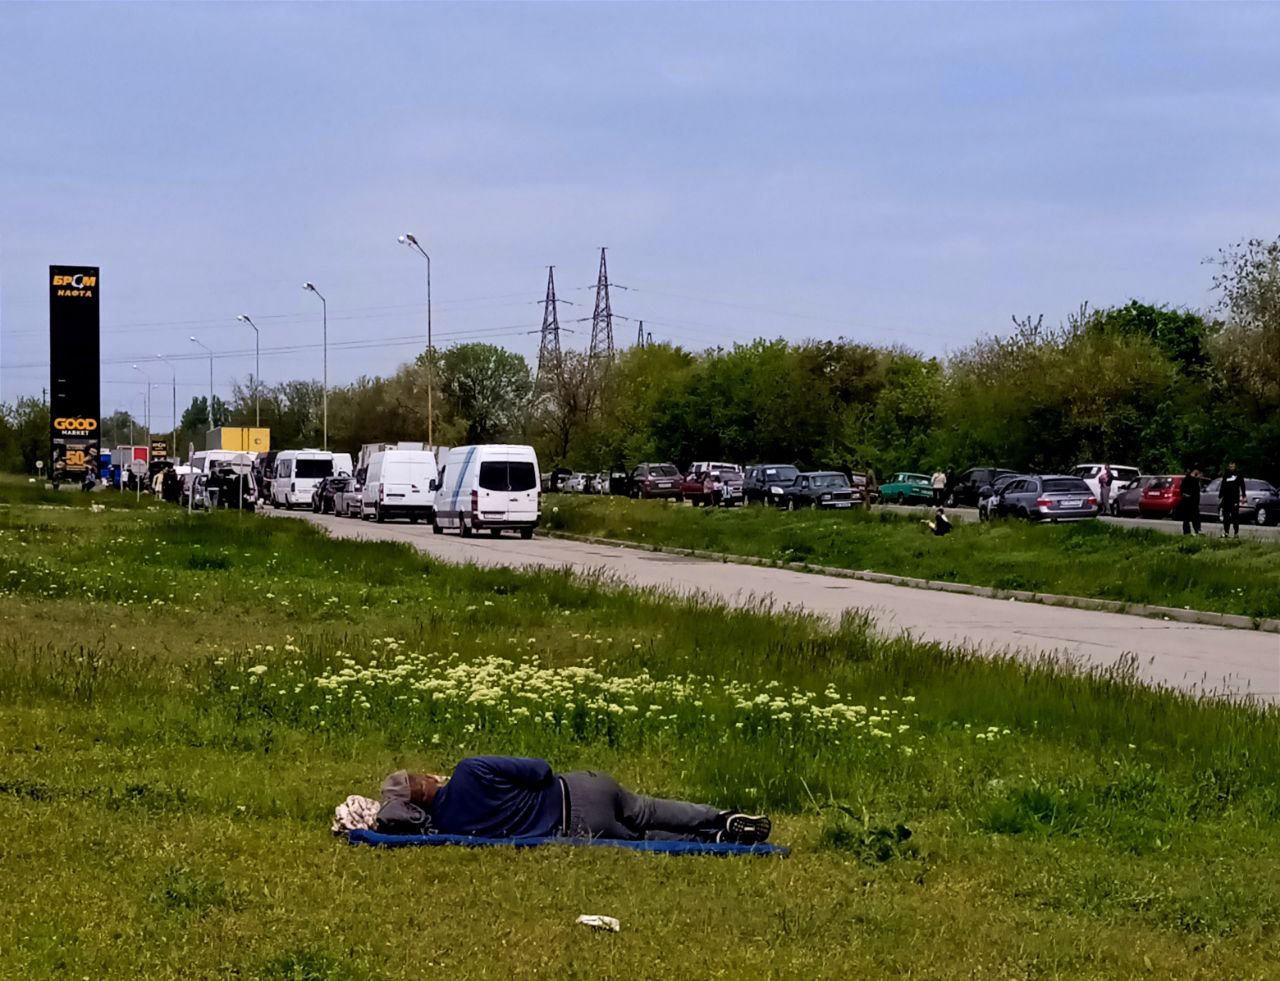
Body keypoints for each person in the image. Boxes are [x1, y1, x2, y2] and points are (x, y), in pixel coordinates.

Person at [362, 756, 771, 844]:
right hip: (577, 790)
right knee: (645, 807)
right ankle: (720, 816)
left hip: (572, 828)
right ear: (424, 782)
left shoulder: (446, 827)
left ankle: (712, 842)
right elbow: (540, 769)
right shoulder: (471, 770)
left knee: (643, 837)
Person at [1219, 462, 1246, 538]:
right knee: (1226, 516)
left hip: (1234, 499)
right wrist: (1220, 494)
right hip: (1226, 499)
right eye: (1230, 467)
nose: (1231, 468)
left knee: (1235, 517)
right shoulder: (1226, 475)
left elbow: (1242, 485)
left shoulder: (1239, 474)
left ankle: (1236, 533)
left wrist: (1243, 494)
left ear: (1235, 467)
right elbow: (1223, 485)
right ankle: (1226, 532)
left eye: (1233, 467)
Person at [1180, 469, 1202, 536]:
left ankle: (1187, 532)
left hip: (1187, 501)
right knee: (1195, 517)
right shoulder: (1194, 481)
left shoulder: (1185, 479)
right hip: (1192, 502)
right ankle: (1197, 530)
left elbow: (1182, 491)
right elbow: (1196, 492)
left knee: (1187, 518)